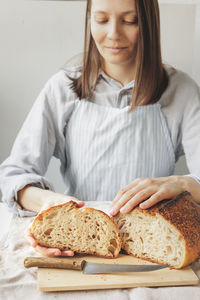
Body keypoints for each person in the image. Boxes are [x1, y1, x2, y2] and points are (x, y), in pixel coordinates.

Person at [0, 0, 200, 257]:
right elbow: (13, 174)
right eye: (102, 20)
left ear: (149, 24)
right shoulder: (62, 88)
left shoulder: (182, 91)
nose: (113, 34)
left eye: (130, 21)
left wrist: (180, 182)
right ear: (89, 19)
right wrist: (49, 204)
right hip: (82, 250)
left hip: (150, 248)